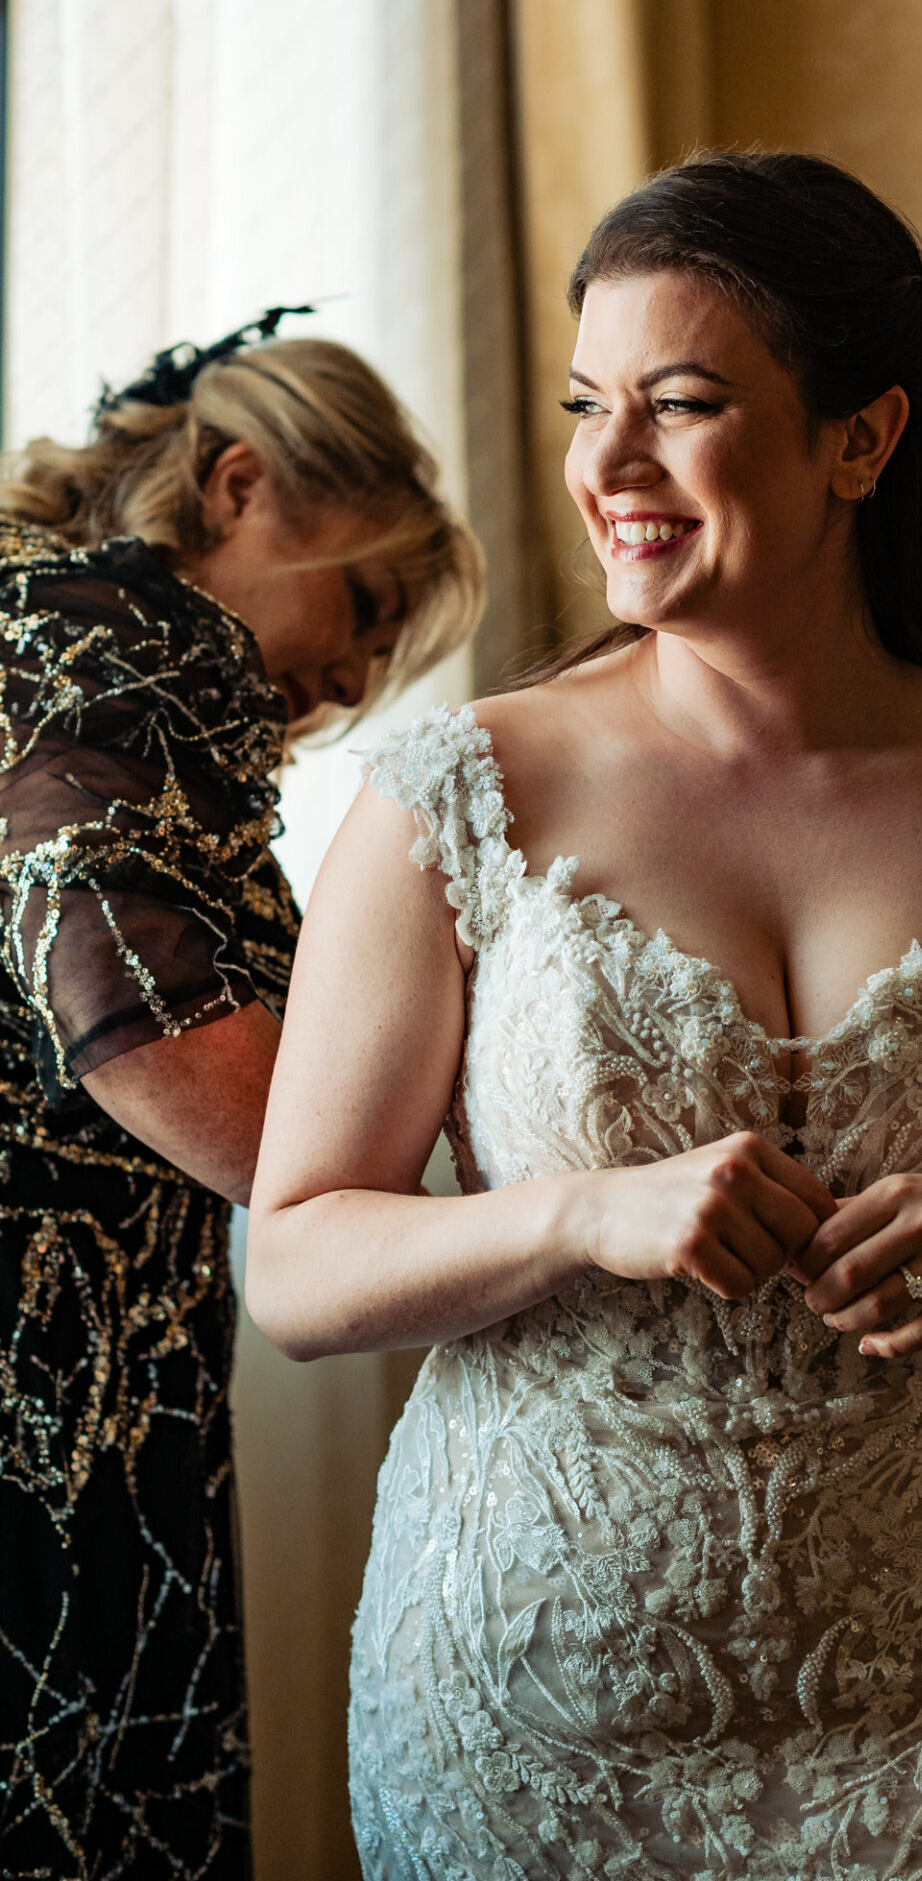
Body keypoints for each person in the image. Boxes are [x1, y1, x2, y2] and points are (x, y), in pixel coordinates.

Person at [248, 155, 922, 1880]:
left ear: (861, 439)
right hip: (527, 1697)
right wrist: (578, 1213)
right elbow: (295, 1270)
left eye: (682, 405)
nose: (605, 468)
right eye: (587, 407)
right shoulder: (452, 795)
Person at [0, 313, 480, 1878]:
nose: (348, 675)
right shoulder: (119, 660)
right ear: (240, 485)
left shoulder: (51, 644)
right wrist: (541, 1214)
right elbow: (189, 1070)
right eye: (366, 603)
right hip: (41, 1409)